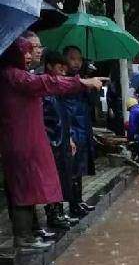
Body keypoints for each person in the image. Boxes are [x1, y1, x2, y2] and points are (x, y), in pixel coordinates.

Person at [0, 37, 103, 250]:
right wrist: (81, 82)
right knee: (24, 188)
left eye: (35, 49)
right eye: (27, 50)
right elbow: (48, 83)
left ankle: (30, 233)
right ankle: (24, 237)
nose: (31, 54)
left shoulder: (20, 75)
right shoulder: (14, 76)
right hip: (21, 142)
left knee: (32, 186)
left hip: (31, 140)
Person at [41, 50, 79, 230]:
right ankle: (53, 214)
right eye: (60, 68)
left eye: (65, 70)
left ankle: (59, 212)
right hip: (50, 141)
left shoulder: (57, 92)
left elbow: (62, 117)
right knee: (52, 179)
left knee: (63, 177)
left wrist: (69, 138)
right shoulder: (43, 88)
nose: (63, 73)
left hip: (62, 139)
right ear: (49, 66)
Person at [62, 45, 96, 217]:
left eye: (79, 59)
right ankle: (68, 206)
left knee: (80, 167)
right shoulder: (61, 81)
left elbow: (90, 104)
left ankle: (78, 201)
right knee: (69, 169)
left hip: (83, 128)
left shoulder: (82, 79)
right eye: (72, 58)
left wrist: (90, 87)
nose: (76, 62)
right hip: (69, 129)